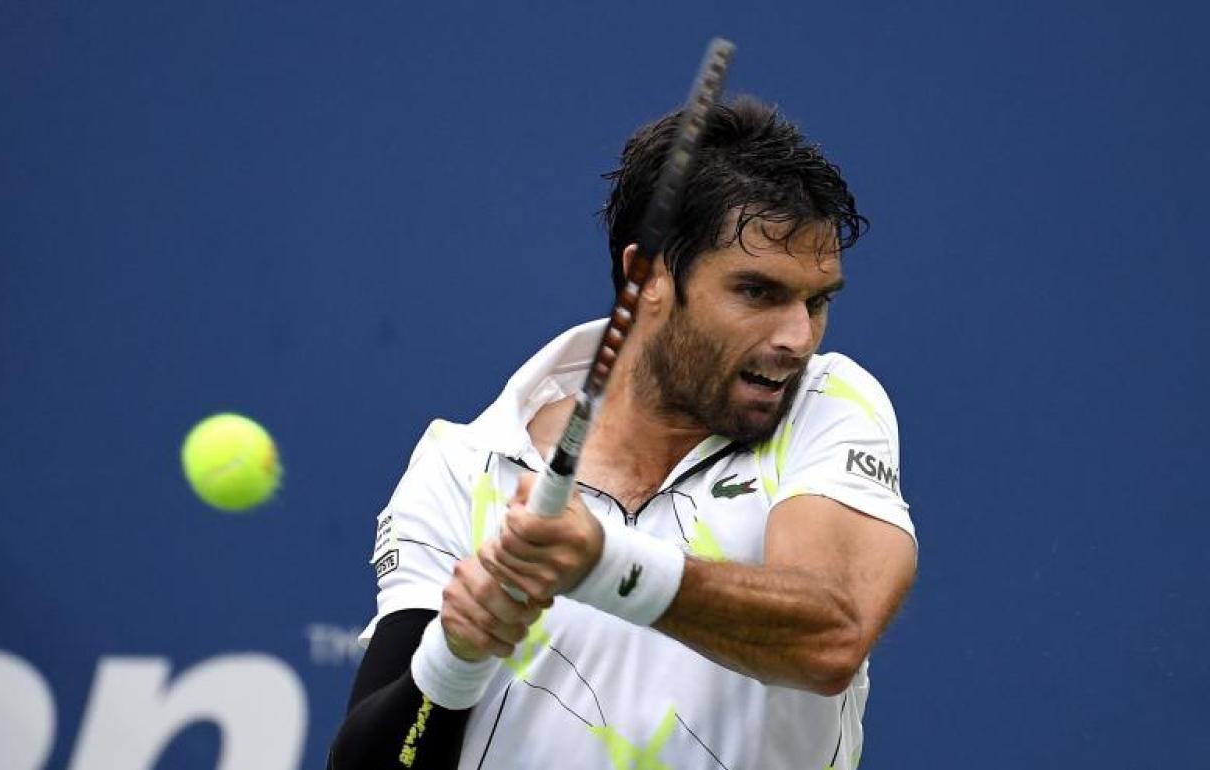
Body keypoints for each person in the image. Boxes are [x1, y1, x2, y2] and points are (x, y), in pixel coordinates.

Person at [328, 96, 917, 770]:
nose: (795, 339)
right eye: (757, 292)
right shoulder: (466, 466)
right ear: (649, 277)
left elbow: (831, 636)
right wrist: (455, 656)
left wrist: (601, 563)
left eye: (816, 302)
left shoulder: (826, 403)